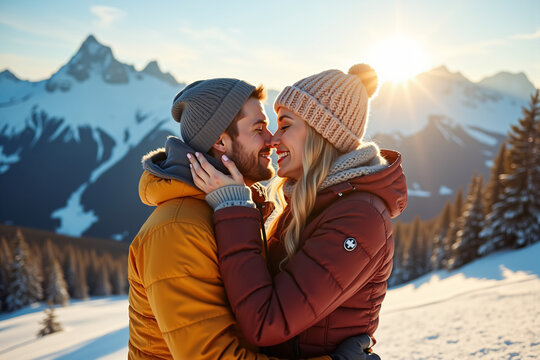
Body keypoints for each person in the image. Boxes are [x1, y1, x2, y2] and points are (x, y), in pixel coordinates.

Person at [128, 78, 375, 359]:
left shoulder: (229, 210)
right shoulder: (178, 230)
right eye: (259, 129)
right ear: (220, 141)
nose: (272, 140)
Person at [188, 64, 407, 359]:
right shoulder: (309, 203)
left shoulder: (359, 218)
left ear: (321, 133)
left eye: (286, 125)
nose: (274, 139)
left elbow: (266, 323)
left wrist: (235, 208)